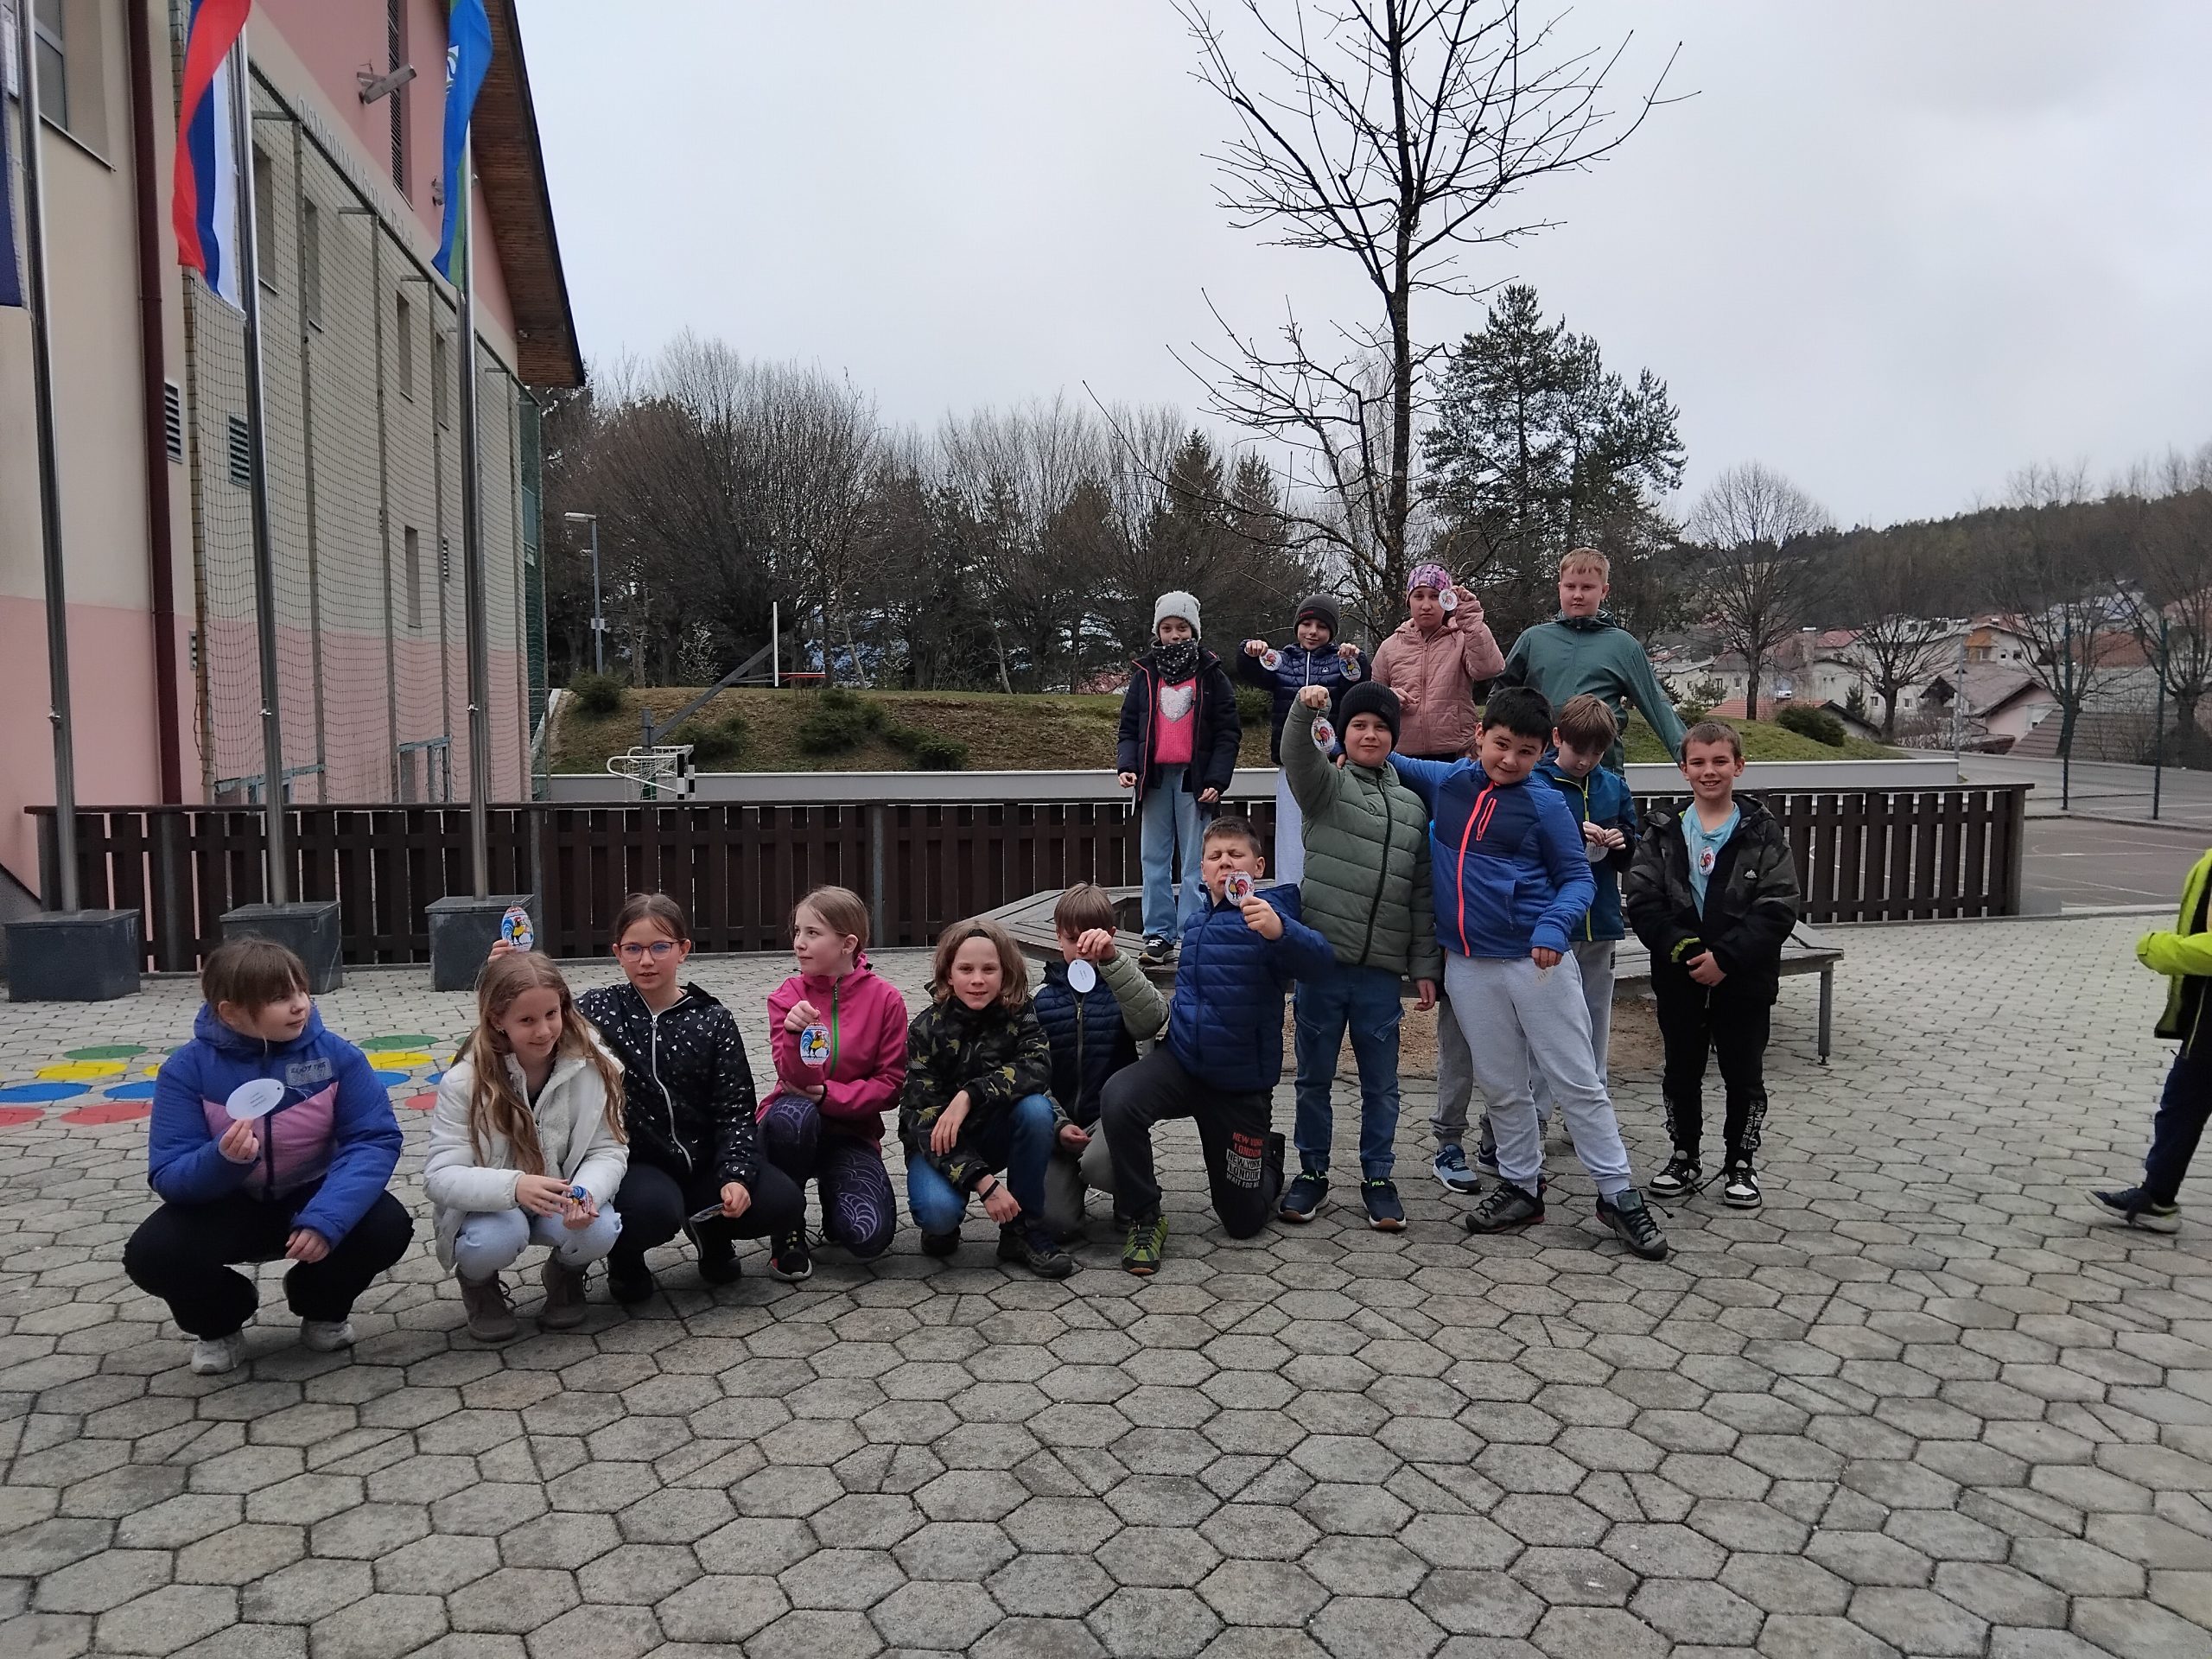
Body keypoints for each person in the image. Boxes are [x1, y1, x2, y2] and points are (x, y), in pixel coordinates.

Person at [1389, 686, 1670, 1261]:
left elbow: (1578, 879)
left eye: (1526, 751)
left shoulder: (1545, 804)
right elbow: (1386, 754)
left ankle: (1617, 1194)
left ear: (1544, 751)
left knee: (1576, 1081)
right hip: (1468, 965)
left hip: (1536, 963)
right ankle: (1522, 1186)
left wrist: (1552, 928)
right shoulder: (1450, 782)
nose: (1510, 759)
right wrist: (1328, 730)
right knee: (1501, 1083)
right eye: (1501, 744)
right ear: (1479, 736)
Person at [124, 938, 412, 1376]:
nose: (300, 1005)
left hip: (312, 1196)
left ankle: (322, 1306)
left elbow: (373, 1141)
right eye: (279, 997)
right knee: (154, 1253)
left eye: (301, 990)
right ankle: (220, 1321)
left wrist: (327, 1218)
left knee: (386, 1225)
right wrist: (221, 1159)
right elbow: (169, 1172)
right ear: (231, 1012)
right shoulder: (186, 1069)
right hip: (228, 1204)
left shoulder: (338, 1057)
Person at [1099, 816, 1333, 1274]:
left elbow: (1321, 966)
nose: (1225, 862)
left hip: (1238, 1086)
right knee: (1119, 1098)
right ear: (1203, 871)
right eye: (1215, 856)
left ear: (1257, 866)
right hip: (1182, 1063)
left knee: (1242, 1223)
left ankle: (1268, 1153)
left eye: (1235, 854)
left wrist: (1280, 931)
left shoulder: (1270, 914)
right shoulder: (1195, 921)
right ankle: (1144, 1216)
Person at [573, 894, 805, 1303]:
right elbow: (533, 1013)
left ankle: (711, 1233)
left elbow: (735, 1110)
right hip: (637, 1163)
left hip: (703, 1158)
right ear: (617, 953)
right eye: (634, 949)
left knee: (781, 1202)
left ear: (683, 950)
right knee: (651, 1212)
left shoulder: (712, 1019)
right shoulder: (597, 1010)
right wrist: (503, 971)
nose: (647, 961)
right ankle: (626, 1259)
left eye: (660, 947)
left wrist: (736, 1175)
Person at [1276, 683, 1440, 1231]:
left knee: (1382, 1086)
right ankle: (1312, 1173)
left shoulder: (1414, 807)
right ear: (1343, 733)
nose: (1370, 735)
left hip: (1380, 974)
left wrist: (1425, 966)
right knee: (1313, 1080)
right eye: (1359, 726)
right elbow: (1296, 754)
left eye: (1381, 727)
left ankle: (1378, 1178)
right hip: (1322, 965)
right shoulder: (1326, 786)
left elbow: (1421, 894)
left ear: (1395, 736)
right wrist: (1304, 711)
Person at [1626, 721, 1803, 1210]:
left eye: (1720, 761)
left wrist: (1726, 957)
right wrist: (1684, 950)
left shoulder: (1762, 830)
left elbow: (1778, 905)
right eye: (1699, 762)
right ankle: (1683, 1155)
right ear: (1683, 769)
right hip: (1680, 976)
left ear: (1738, 767)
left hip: (1744, 978)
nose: (1710, 771)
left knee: (1743, 1073)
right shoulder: (1663, 830)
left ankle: (1740, 1161)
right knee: (1681, 1070)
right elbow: (1642, 900)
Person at [1467, 694, 1639, 1175]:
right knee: (1539, 1034)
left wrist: (1621, 840)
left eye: (1597, 753)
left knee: (1593, 1031)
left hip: (1599, 923)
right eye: (1578, 750)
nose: (1585, 761)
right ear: (1556, 739)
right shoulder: (1533, 781)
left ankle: (1591, 1127)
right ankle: (1531, 1123)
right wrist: (1568, 836)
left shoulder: (1613, 787)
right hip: (1545, 932)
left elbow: (1632, 848)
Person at [425, 952, 629, 1341]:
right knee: (493, 1240)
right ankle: (479, 1284)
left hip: (559, 1195)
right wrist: (514, 1186)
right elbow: (440, 1176)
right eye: (527, 1020)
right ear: (496, 1020)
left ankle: (565, 1275)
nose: (544, 1030)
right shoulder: (465, 1081)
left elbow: (609, 1149)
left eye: (552, 1014)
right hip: (492, 1207)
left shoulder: (594, 1066)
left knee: (600, 1228)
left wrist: (585, 1193)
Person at [899, 918, 1077, 1278]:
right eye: (966, 969)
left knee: (1037, 1109)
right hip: (940, 1144)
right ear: (948, 975)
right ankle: (943, 1226)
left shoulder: (1021, 1013)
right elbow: (919, 1120)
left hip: (996, 1133)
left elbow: (1037, 1067)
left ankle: (1022, 1231)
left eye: (989, 969)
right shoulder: (924, 1029)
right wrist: (986, 1184)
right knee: (938, 1213)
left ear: (1005, 973)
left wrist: (969, 1094)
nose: (977, 980)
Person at [761, 885, 910, 1280]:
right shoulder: (787, 997)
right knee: (793, 1116)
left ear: (848, 944)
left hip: (851, 1131)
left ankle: (835, 1194)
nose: (799, 943)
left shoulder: (886, 1000)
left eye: (813, 933)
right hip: (793, 1126)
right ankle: (788, 1228)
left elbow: (890, 1085)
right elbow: (793, 1082)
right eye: (797, 931)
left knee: (867, 1236)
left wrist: (830, 1095)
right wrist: (794, 1035)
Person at [1032, 883, 1166, 1241]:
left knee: (1099, 1166)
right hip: (1060, 1123)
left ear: (1110, 935)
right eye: (1072, 938)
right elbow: (1030, 1073)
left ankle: (1133, 1194)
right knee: (1055, 1225)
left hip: (1110, 1121)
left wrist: (1113, 961)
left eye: (1092, 938)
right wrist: (1058, 1125)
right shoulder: (1040, 1000)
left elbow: (1152, 1020)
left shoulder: (1122, 988)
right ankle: (1068, 1186)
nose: (1082, 948)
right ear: (1058, 937)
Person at [1117, 590, 1242, 965]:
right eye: (1167, 628)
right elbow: (1129, 728)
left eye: (1182, 628)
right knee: (1153, 858)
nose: (1175, 635)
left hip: (1195, 780)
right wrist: (1127, 765)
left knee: (1195, 862)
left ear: (1194, 631)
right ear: (1158, 632)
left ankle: (1193, 931)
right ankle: (1158, 934)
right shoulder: (1144, 675)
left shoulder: (1211, 674)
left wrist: (1217, 780)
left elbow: (1228, 733)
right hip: (1153, 779)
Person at [2092, 846, 2212, 1234]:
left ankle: (2157, 1197)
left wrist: (2157, 948)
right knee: (2181, 1105)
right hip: (2204, 1019)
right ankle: (2157, 1199)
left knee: (2182, 1103)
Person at [1492, 546, 1688, 770]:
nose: (1577, 595)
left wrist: (1690, 760)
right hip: (1539, 768)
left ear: (1604, 591)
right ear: (1559, 588)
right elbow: (1500, 699)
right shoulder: (1533, 639)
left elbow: (1657, 705)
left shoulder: (1624, 646)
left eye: (1587, 587)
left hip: (1601, 769)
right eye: (1570, 586)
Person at [1238, 593, 1371, 884]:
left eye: (1321, 626)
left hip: (1330, 763)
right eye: (1306, 624)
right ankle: (1289, 889)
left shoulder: (1340, 661)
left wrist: (1357, 658)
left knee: (1330, 832)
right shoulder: (1282, 661)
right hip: (1291, 764)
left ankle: (1327, 892)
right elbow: (1250, 672)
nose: (1313, 632)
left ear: (1332, 632)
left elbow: (1360, 686)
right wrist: (1249, 650)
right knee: (1290, 835)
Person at [1370, 563, 1505, 762]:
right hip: (1403, 755)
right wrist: (1389, 697)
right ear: (1408, 601)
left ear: (1447, 600)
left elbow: (1489, 669)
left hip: (1458, 753)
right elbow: (1371, 698)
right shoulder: (1390, 646)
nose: (1426, 605)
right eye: (1418, 596)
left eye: (1435, 596)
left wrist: (1472, 621)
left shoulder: (1462, 637)